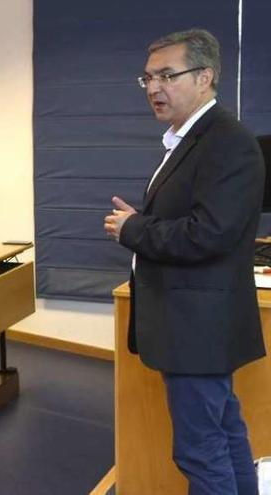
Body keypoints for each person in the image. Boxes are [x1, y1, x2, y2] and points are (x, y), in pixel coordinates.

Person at [104, 29, 264, 495]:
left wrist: (134, 230)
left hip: (198, 327)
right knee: (225, 431)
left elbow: (210, 233)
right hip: (196, 326)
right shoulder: (191, 139)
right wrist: (144, 222)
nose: (154, 88)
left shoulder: (226, 142)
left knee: (199, 450)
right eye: (148, 78)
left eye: (167, 75)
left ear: (205, 77)